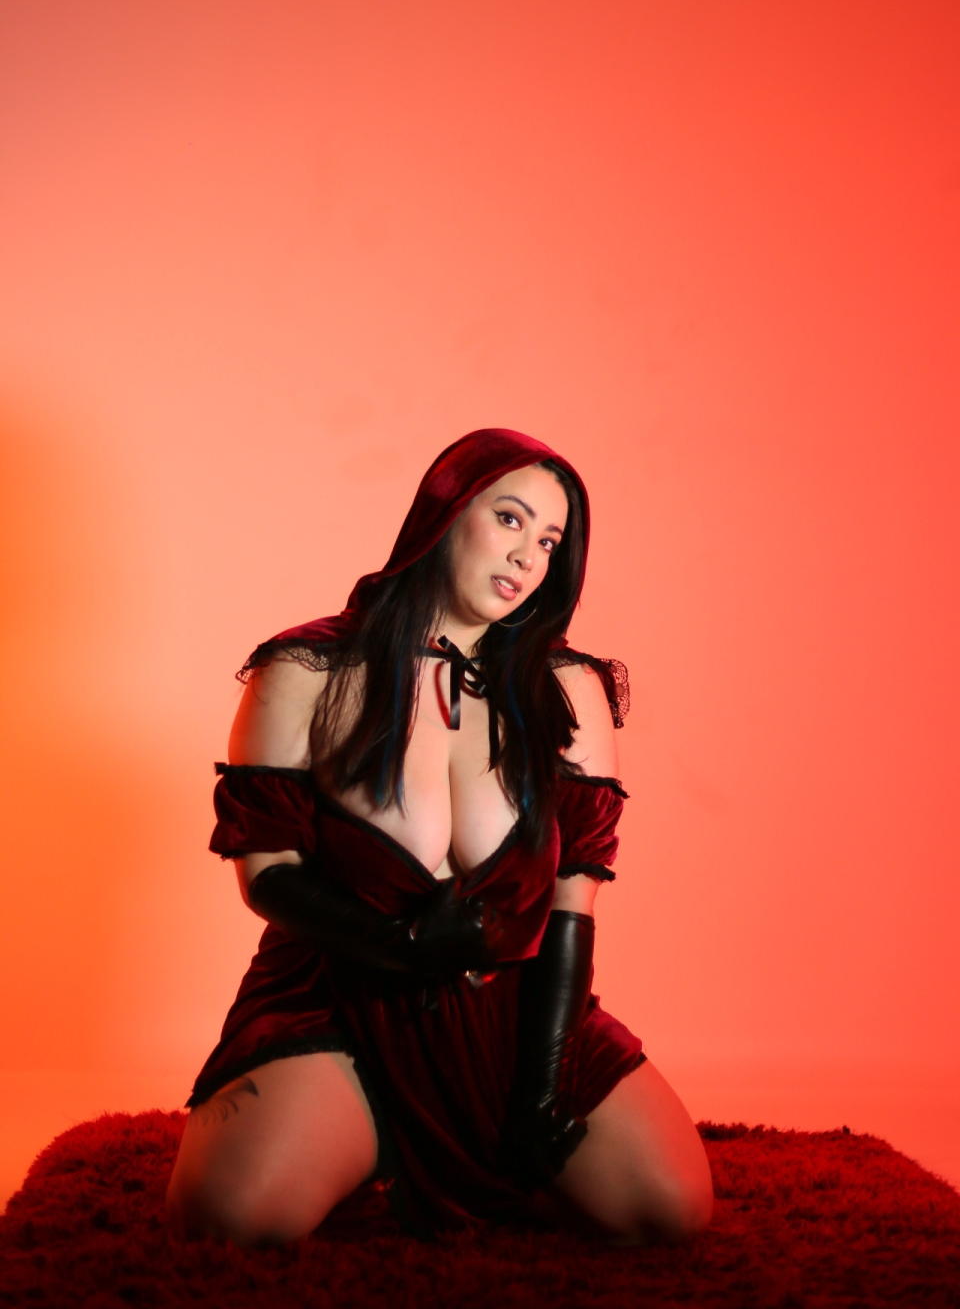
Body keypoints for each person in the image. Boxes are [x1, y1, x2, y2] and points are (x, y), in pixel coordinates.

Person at [165, 427, 713, 1245]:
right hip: (340, 1001)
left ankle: (466, 1150)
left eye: (550, 540)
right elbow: (267, 873)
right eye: (511, 519)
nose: (529, 555)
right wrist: (404, 941)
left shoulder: (569, 690)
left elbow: (573, 905)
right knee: (231, 1221)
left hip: (515, 1010)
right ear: (444, 515)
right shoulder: (307, 670)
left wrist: (543, 1083)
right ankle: (366, 1136)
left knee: (669, 1211)